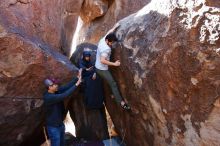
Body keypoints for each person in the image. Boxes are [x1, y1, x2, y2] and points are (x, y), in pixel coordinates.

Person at [95, 33, 131, 110]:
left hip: (97, 66)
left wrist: (116, 25)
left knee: (108, 82)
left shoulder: (103, 39)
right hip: (102, 69)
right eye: (111, 42)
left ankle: (113, 94)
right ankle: (121, 102)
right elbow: (102, 60)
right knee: (113, 84)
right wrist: (114, 64)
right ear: (107, 41)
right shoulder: (106, 49)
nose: (112, 44)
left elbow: (110, 31)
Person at [43, 76, 81, 146]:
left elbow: (66, 87)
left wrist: (76, 78)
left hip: (60, 124)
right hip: (53, 127)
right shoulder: (48, 97)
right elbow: (64, 95)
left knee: (62, 143)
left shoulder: (56, 91)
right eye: (55, 85)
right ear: (50, 87)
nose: (57, 86)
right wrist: (76, 84)